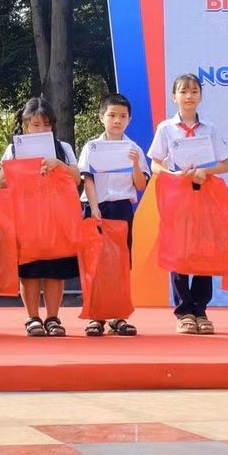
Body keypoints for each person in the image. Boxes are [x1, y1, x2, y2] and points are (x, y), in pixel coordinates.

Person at [147, 73, 228, 335]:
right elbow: (155, 163)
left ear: (200, 96)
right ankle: (184, 311)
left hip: (205, 197)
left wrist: (206, 171)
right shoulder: (166, 129)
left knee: (205, 251)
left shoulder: (210, 129)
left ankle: (201, 310)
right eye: (183, 92)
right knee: (179, 251)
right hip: (178, 197)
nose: (189, 96)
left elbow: (225, 164)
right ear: (174, 97)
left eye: (194, 91)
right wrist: (172, 175)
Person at [0, 97, 80, 338]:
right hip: (26, 219)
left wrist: (59, 166)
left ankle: (53, 318)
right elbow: (1, 181)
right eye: (35, 124)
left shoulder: (63, 148)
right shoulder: (14, 149)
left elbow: (77, 178)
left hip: (57, 218)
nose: (41, 129)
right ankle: (32, 317)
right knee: (30, 269)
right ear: (25, 125)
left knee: (55, 269)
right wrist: (20, 165)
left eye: (46, 124)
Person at [77, 94, 149, 337]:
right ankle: (95, 317)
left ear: (129, 120)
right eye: (112, 115)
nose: (117, 121)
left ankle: (119, 316)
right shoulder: (91, 147)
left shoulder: (133, 148)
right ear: (101, 117)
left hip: (121, 209)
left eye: (122, 116)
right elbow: (87, 178)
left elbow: (141, 185)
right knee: (95, 263)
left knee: (119, 264)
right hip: (95, 208)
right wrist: (95, 207)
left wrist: (136, 165)